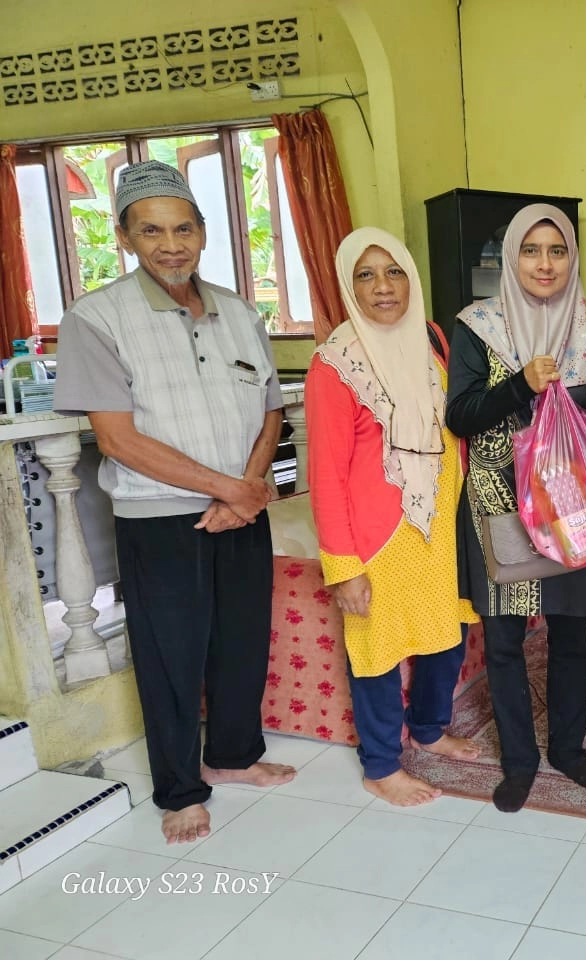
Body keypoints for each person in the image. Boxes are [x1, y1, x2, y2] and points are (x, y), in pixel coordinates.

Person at [53, 160, 296, 845]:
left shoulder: (239, 313)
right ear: (125, 236)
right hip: (160, 517)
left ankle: (234, 755)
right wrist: (230, 489)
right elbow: (118, 439)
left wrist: (246, 490)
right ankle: (181, 790)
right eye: (152, 231)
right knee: (171, 657)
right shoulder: (95, 319)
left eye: (183, 229)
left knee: (242, 640)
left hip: (241, 510)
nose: (170, 245)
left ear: (203, 232)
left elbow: (271, 410)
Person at [446, 203, 586, 813]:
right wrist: (520, 383)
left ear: (573, 258)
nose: (545, 264)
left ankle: (568, 750)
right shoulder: (477, 327)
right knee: (504, 641)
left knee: (573, 636)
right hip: (499, 503)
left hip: (573, 509)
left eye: (557, 251)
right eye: (531, 250)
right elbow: (460, 415)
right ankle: (519, 761)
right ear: (510, 257)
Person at [305, 227, 481, 807]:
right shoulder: (334, 366)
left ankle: (428, 728)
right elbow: (326, 474)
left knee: (445, 637)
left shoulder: (431, 340)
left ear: (411, 278)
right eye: (366, 275)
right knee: (377, 652)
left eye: (394, 272)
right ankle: (380, 766)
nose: (383, 287)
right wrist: (343, 566)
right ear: (348, 286)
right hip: (377, 540)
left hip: (440, 528)